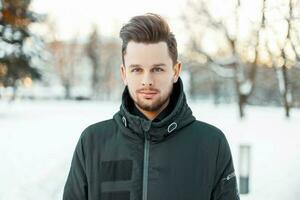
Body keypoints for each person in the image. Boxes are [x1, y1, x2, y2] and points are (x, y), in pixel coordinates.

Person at [63, 13, 240, 200]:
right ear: (124, 74)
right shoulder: (92, 142)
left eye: (157, 69)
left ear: (175, 71)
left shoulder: (211, 144)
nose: (147, 81)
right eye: (137, 70)